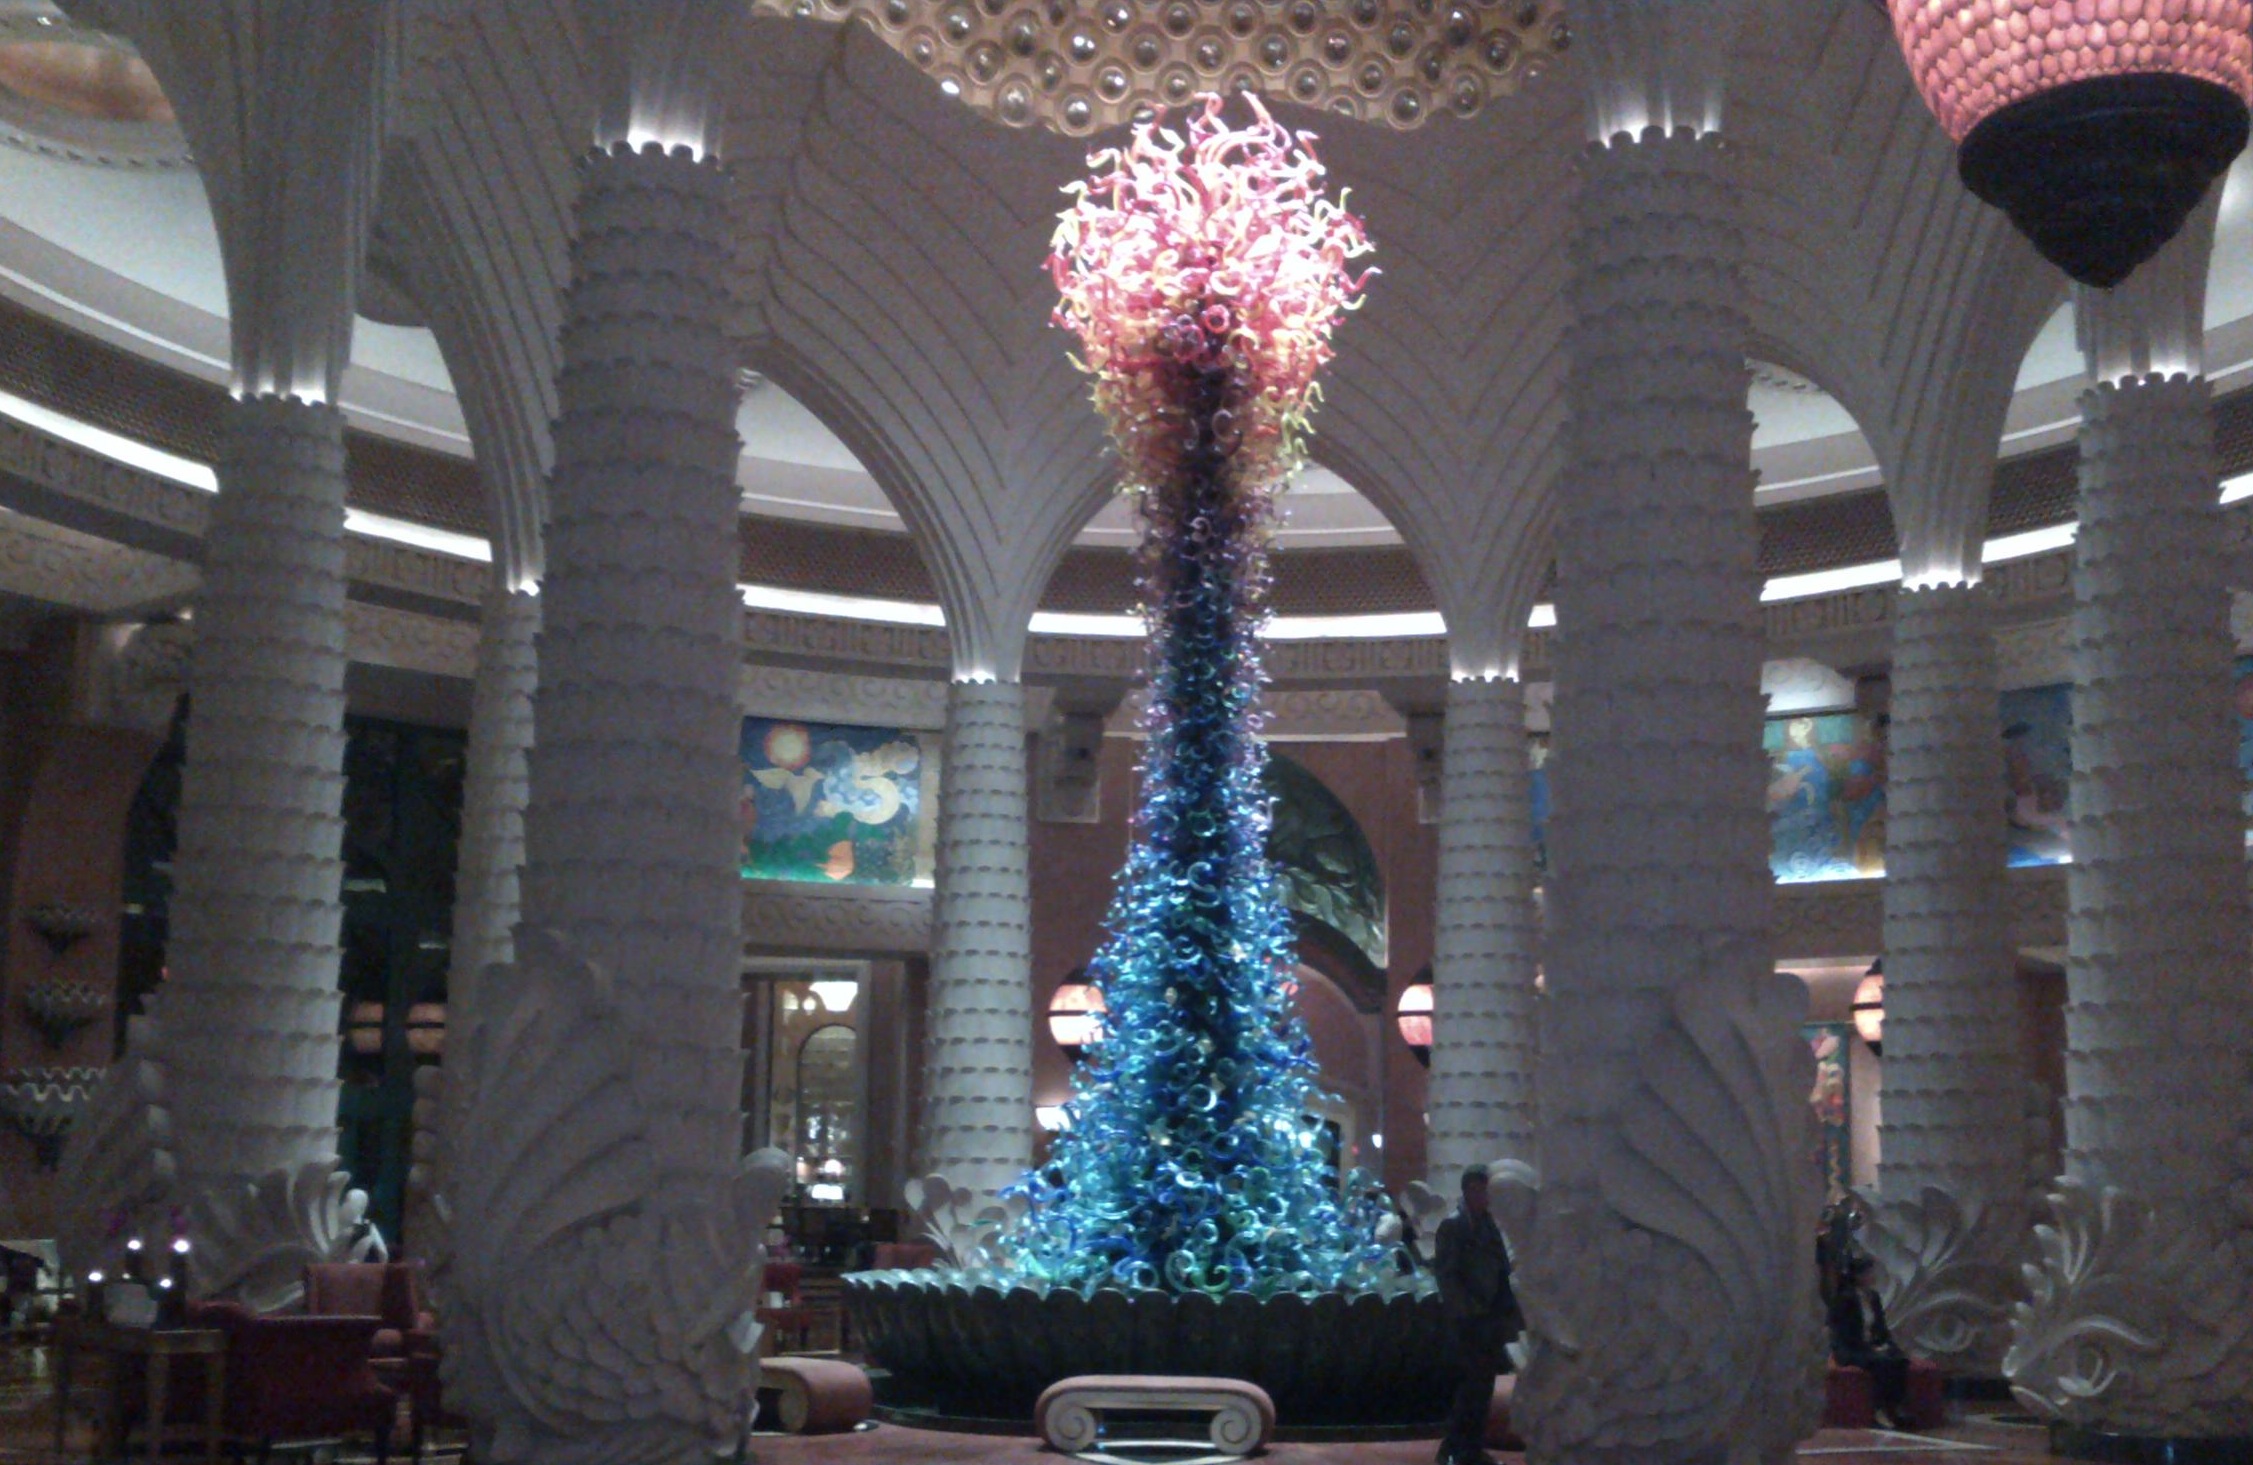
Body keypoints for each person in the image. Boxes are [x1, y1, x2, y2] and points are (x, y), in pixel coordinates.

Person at [1432, 1165, 1520, 1465]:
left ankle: (1470, 1450)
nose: (1488, 1197)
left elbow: (1500, 1268)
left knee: (1482, 1389)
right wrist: (1469, 1312)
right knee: (1470, 1389)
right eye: (1484, 1190)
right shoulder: (1453, 1226)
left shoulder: (1487, 1224)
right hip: (1468, 1323)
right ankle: (1452, 1449)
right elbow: (1447, 1276)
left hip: (1488, 1320)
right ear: (1470, 1190)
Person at [1829, 1254, 1910, 1428]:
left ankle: (1896, 1406)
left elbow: (1880, 1327)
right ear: (1858, 1276)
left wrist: (1887, 1344)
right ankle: (1878, 1409)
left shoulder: (1873, 1297)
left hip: (1871, 1346)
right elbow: (1846, 1334)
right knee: (1880, 1363)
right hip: (1852, 1349)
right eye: (1868, 1273)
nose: (1872, 1276)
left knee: (1899, 1360)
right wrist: (1871, 1349)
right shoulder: (1846, 1299)